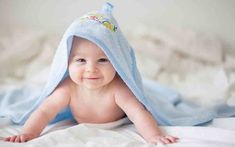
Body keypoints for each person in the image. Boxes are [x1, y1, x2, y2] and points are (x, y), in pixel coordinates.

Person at [4, 3, 179, 145]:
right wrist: (28, 133)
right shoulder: (68, 88)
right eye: (81, 60)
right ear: (66, 62)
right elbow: (44, 111)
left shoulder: (118, 88)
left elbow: (138, 113)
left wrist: (153, 136)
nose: (91, 69)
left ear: (117, 62)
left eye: (103, 60)